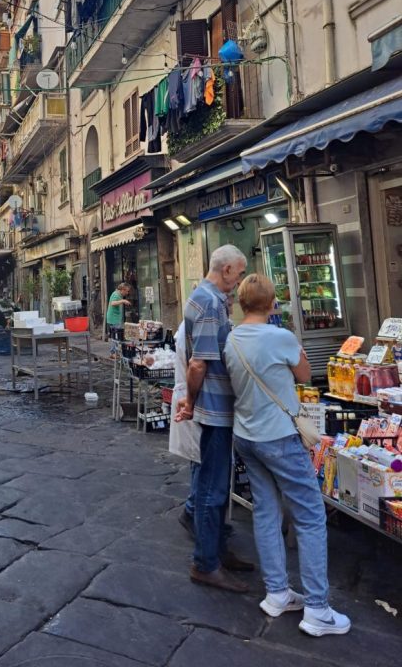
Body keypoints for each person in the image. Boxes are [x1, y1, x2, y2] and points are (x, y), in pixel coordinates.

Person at [224, 274, 350, 636]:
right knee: (310, 516)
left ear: (241, 303)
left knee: (266, 512)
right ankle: (317, 609)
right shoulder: (281, 337)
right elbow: (306, 376)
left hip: (246, 436)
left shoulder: (231, 339)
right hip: (279, 436)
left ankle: (277, 593)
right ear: (272, 303)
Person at [176, 244, 253, 592]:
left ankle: (217, 551)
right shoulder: (209, 303)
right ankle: (205, 563)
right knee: (212, 488)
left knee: (216, 485)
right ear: (225, 270)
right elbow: (198, 362)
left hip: (216, 406)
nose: (238, 283)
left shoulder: (205, 296)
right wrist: (190, 403)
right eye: (237, 274)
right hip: (215, 409)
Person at [168, 320, 201, 535]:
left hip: (189, 396)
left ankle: (195, 509)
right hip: (191, 398)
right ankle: (193, 510)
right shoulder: (195, 328)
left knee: (199, 460)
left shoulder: (187, 328)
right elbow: (196, 366)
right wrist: (189, 401)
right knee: (200, 460)